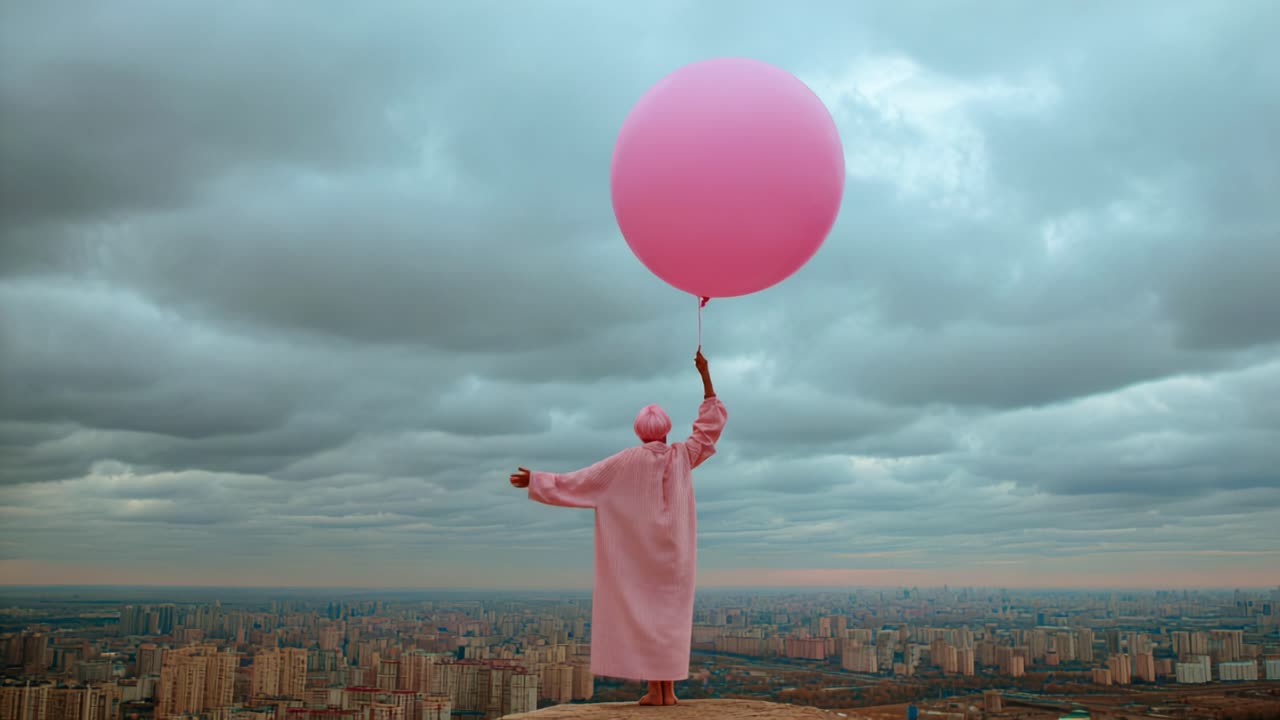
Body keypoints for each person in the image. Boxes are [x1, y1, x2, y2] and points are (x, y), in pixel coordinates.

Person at [509, 349, 727, 706]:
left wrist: (536, 480)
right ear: (666, 430)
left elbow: (578, 482)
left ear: (639, 432)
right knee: (670, 620)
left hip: (641, 558)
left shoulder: (625, 461)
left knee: (645, 618)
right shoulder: (682, 456)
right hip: (677, 557)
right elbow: (709, 428)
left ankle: (655, 690)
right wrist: (705, 375)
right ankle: (668, 691)